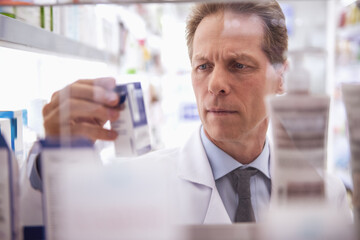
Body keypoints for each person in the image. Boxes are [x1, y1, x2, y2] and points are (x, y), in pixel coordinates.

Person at [30, 1, 350, 224]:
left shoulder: (326, 195)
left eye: (239, 65)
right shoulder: (139, 182)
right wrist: (54, 160)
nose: (216, 84)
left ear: (281, 76)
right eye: (203, 66)